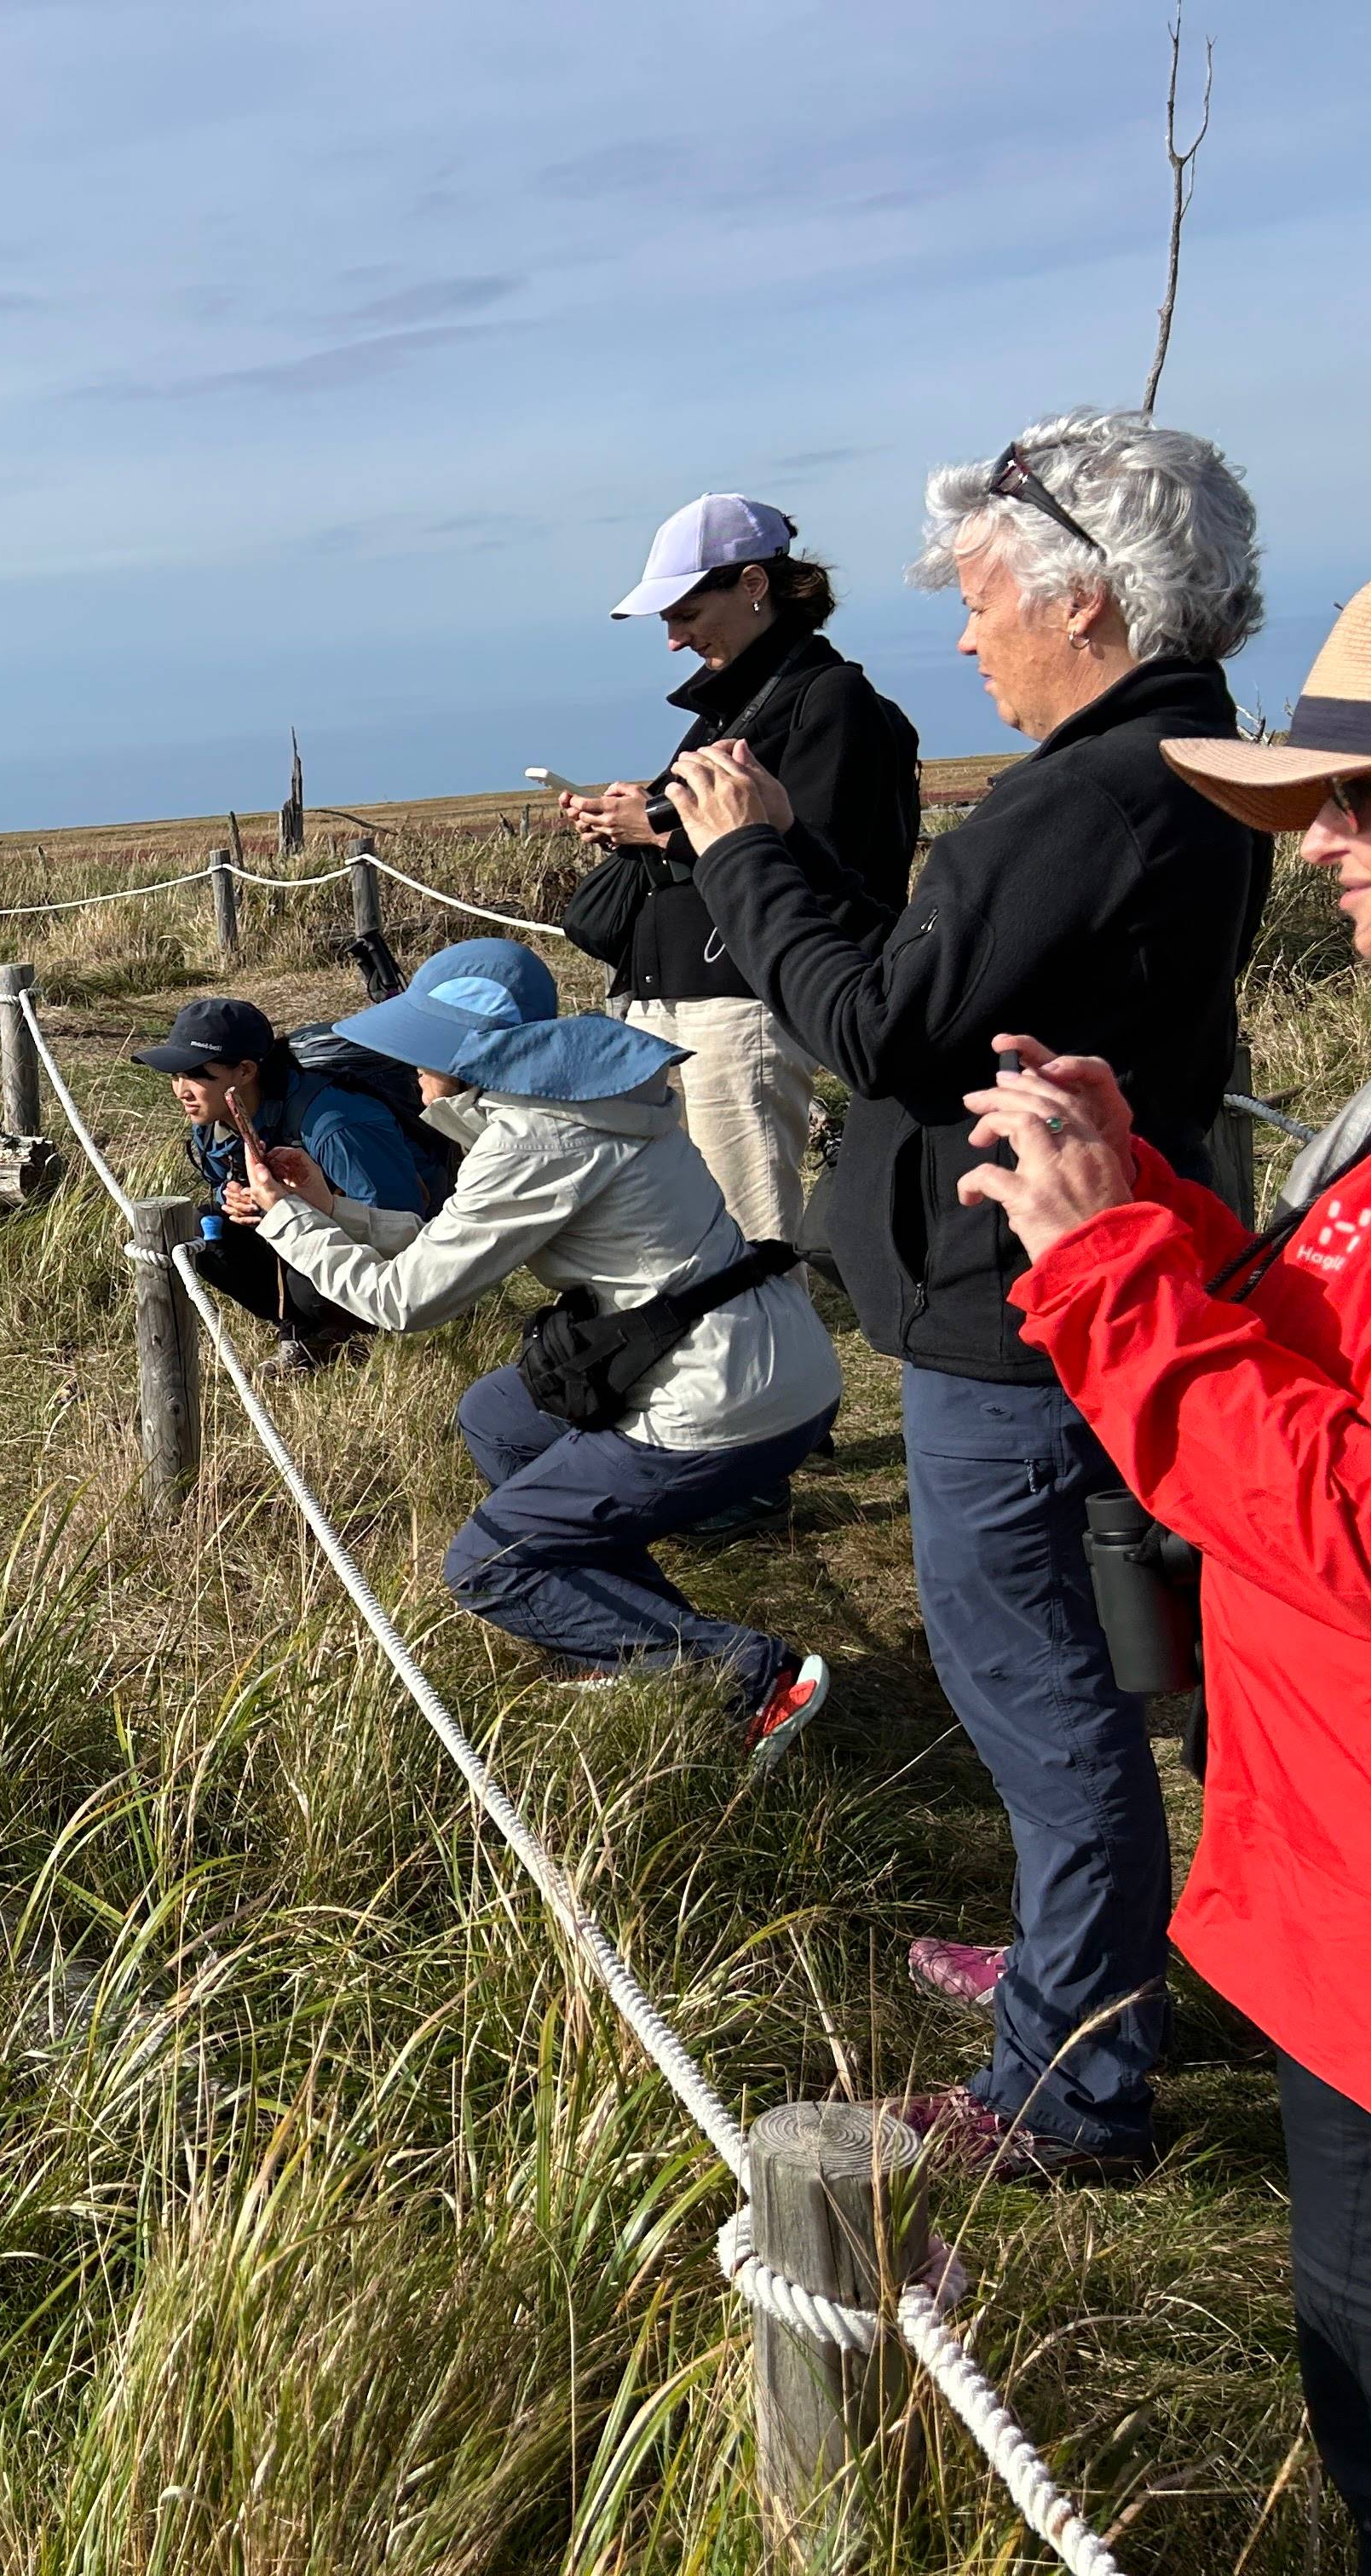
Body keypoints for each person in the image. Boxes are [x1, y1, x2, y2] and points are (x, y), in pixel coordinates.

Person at [670, 407, 1270, 2181]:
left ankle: (1067, 2091)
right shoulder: (1173, 767)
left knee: (1040, 1693)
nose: (965, 632)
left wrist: (748, 860)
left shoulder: (1094, 791)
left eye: (988, 594)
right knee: (1056, 1679)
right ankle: (1071, 1978)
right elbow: (936, 987)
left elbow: (879, 1026)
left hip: (1013, 1328)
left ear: (1085, 606)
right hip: (1046, 1297)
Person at [953, 582, 1371, 2559]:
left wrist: (1107, 1272)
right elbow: (1323, 1348)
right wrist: (1167, 1213)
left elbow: (1350, 1523)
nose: (1330, 844)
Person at [227, 939, 839, 1757]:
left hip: (719, 1407)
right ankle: (643, 1637)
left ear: (473, 1055)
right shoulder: (594, 1104)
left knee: (486, 1565)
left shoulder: (537, 1140)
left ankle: (750, 1681)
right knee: (500, 1412)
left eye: (423, 1047)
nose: (411, 1069)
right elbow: (452, 1244)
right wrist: (331, 1206)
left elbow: (404, 1301)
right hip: (776, 1368)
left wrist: (282, 1221)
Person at [556, 494, 922, 1248]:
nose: (672, 638)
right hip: (676, 998)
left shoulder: (831, 700)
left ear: (752, 585)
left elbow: (825, 858)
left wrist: (659, 835)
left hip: (740, 1003)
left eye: (683, 612)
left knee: (747, 1236)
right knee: (677, 1230)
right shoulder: (744, 703)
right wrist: (641, 817)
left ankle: (769, 1365)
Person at [134, 995, 438, 1370]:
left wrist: (301, 1208)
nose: (182, 1090)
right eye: (176, 1075)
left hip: (405, 1255)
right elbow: (221, 1180)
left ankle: (354, 1330)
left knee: (305, 1284)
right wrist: (236, 1199)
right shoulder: (218, 1118)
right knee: (200, 1233)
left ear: (245, 1071)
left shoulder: (335, 1123)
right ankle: (305, 1330)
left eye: (197, 1075)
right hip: (311, 1230)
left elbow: (401, 1222)